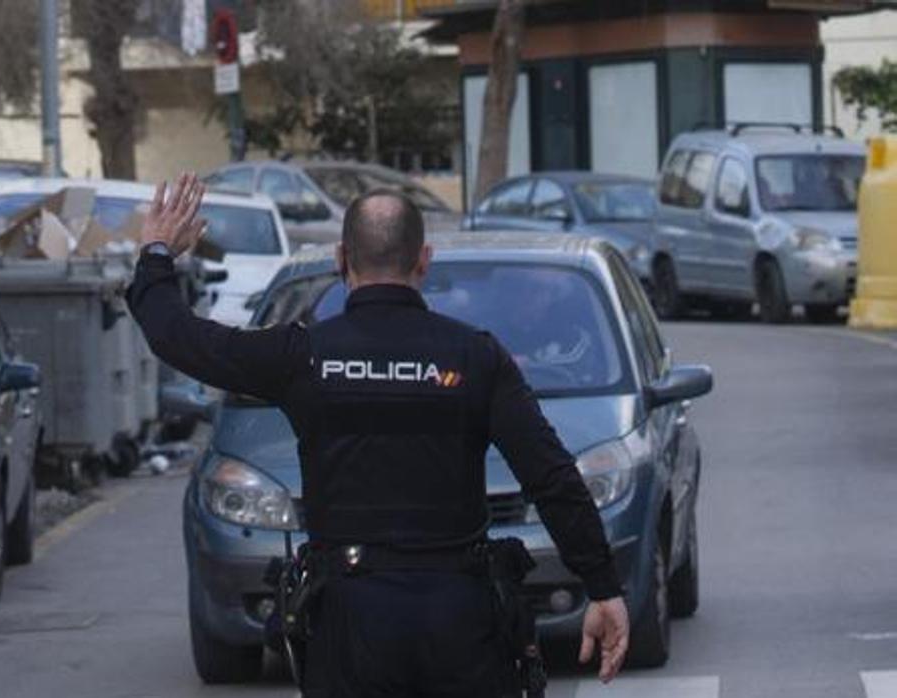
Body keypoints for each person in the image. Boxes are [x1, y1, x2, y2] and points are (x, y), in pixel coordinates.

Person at [126, 173, 629, 697]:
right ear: (424, 261)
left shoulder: (303, 357)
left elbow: (177, 336)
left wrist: (157, 253)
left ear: (342, 260)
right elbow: (550, 476)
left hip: (348, 623)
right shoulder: (475, 357)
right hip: (459, 619)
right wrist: (603, 586)